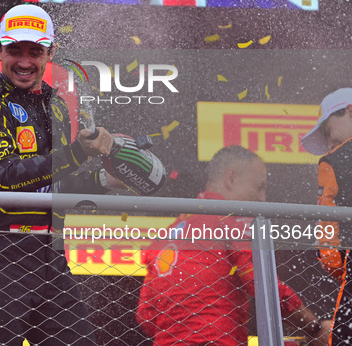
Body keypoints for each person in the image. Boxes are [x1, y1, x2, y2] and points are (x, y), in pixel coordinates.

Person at [0, 4, 120, 345]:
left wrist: (106, 180)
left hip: (51, 255)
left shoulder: (55, 105)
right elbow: (6, 176)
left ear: (51, 53)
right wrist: (78, 152)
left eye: (36, 51)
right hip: (1, 255)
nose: (25, 61)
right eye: (15, 51)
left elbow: (51, 187)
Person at [136, 145, 329, 346]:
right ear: (231, 178)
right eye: (260, 187)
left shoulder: (164, 237)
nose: (262, 198)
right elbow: (263, 285)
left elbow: (146, 317)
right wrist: (314, 328)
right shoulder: (232, 221)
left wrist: (184, 326)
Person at [302, 87, 352, 345]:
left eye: (331, 138)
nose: (331, 147)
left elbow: (330, 251)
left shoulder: (334, 162)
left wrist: (338, 267)